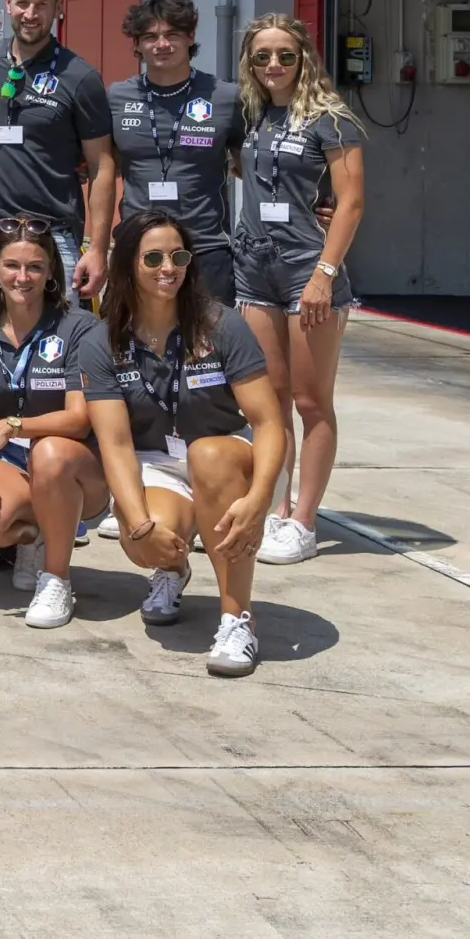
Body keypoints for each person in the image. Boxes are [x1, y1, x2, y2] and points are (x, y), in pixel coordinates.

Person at [90, 210, 286, 676]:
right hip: (158, 465)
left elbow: (270, 422)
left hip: (232, 462)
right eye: (153, 257)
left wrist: (260, 500)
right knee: (147, 542)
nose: (167, 267)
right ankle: (172, 571)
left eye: (177, 256)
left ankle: (237, 619)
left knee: (209, 453)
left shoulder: (223, 325)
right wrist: (137, 524)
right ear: (128, 266)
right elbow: (115, 445)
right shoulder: (105, 341)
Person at [233, 13, 365, 568]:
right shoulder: (251, 112)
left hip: (305, 268)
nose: (274, 66)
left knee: (312, 402)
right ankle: (275, 505)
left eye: (285, 55)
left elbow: (351, 201)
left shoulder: (331, 118)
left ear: (304, 57)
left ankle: (304, 520)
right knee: (269, 401)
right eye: (262, 56)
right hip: (253, 264)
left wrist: (324, 275)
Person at [0, 216, 117, 628]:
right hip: (13, 463)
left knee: (51, 452)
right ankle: (35, 535)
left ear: (51, 272)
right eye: (11, 265)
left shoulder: (81, 328)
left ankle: (56, 578)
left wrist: (10, 425)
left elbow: (79, 420)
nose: (22, 277)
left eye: (35, 267)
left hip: (76, 467)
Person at [0, 0, 114, 314]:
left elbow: (102, 165)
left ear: (59, 7)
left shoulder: (80, 76)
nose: (31, 14)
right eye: (23, 3)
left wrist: (99, 249)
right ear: (8, 3)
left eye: (42, 5)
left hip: (52, 236)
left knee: (57, 350)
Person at [104, 0, 247, 307]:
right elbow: (97, 167)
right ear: (137, 44)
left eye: (172, 34)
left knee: (208, 352)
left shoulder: (226, 97)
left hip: (205, 250)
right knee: (131, 349)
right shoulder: (115, 98)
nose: (162, 44)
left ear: (190, 37)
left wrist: (314, 205)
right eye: (151, 36)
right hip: (138, 249)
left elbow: (259, 166)